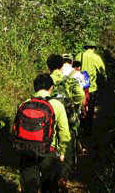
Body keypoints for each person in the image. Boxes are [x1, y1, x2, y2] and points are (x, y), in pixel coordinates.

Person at [18, 73, 70, 193]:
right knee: (50, 188)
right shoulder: (57, 105)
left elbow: (16, 129)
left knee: (30, 188)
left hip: (27, 151)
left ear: (35, 87)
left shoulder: (24, 104)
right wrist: (62, 152)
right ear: (51, 88)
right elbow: (65, 133)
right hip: (49, 152)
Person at [48, 54, 85, 183]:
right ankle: (63, 177)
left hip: (51, 116)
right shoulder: (70, 79)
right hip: (68, 116)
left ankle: (51, 174)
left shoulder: (46, 80)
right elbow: (80, 95)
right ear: (61, 66)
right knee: (68, 144)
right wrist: (73, 104)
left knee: (52, 143)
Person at [75, 40, 106, 135]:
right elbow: (102, 72)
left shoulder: (79, 56)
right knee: (90, 108)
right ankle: (88, 130)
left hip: (79, 87)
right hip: (91, 88)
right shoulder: (96, 58)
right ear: (93, 48)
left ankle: (79, 127)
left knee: (80, 107)